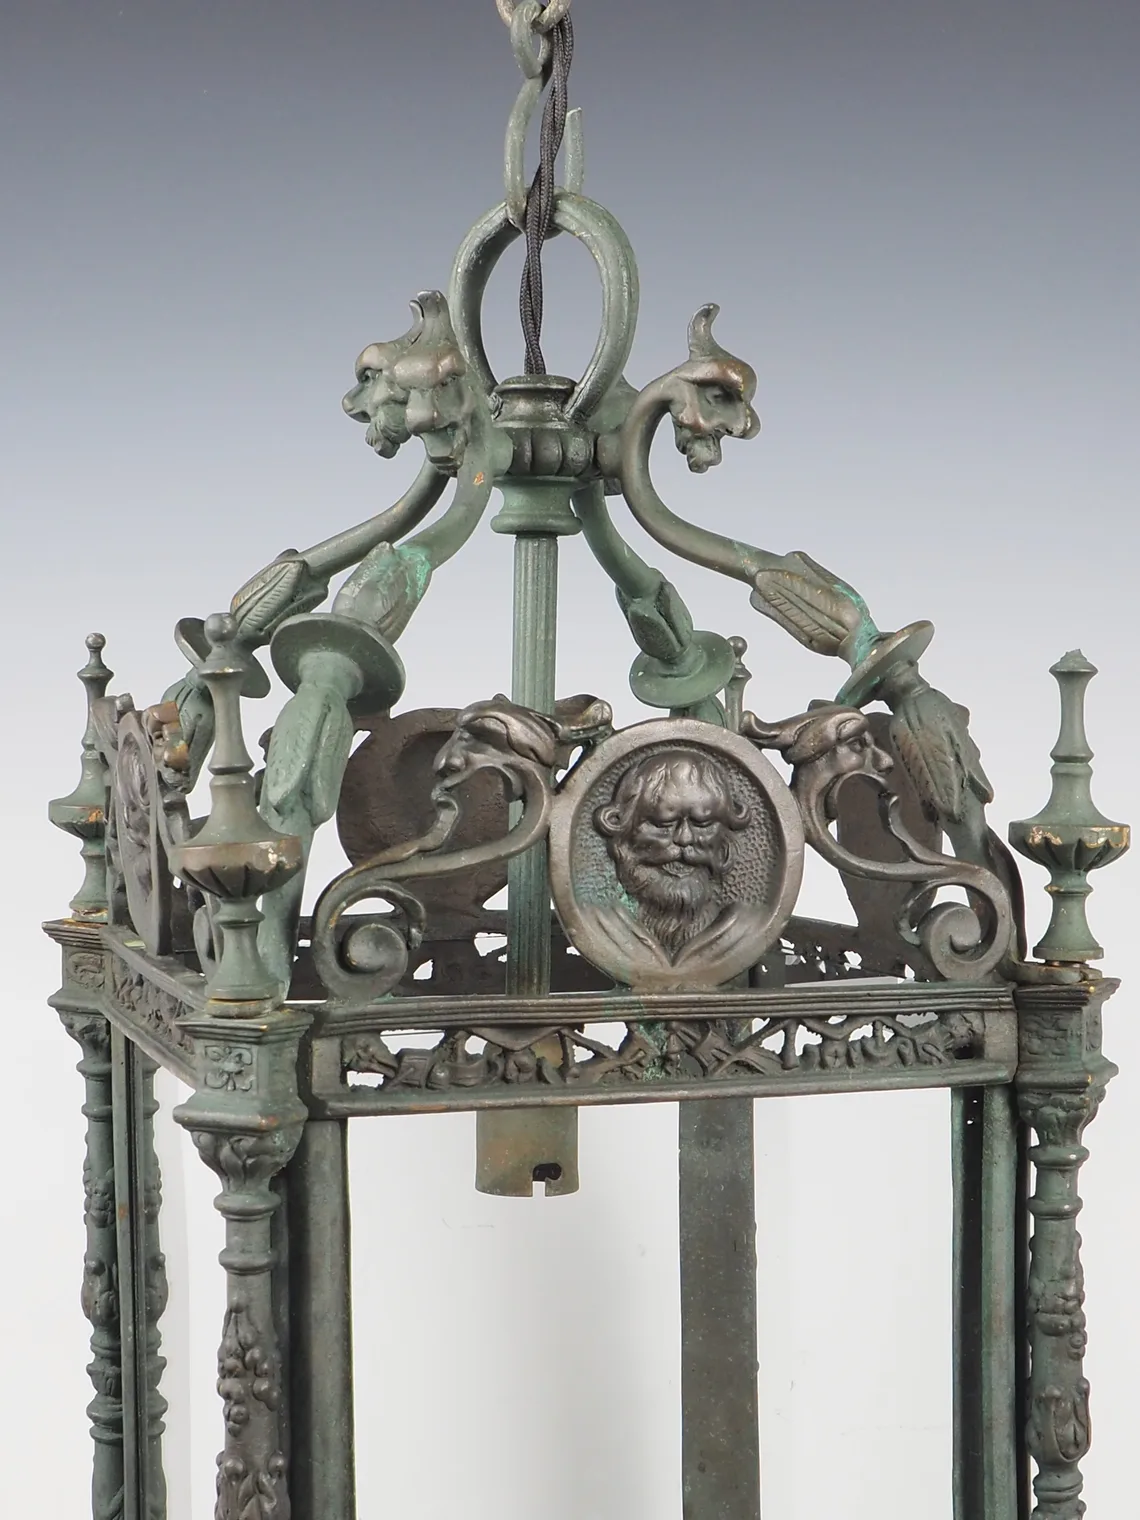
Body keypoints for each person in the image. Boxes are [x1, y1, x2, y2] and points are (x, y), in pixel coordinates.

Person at [582, 748, 767, 982]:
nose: (684, 838)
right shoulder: (600, 923)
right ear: (623, 827)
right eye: (662, 824)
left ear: (724, 833)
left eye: (703, 824)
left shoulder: (745, 927)